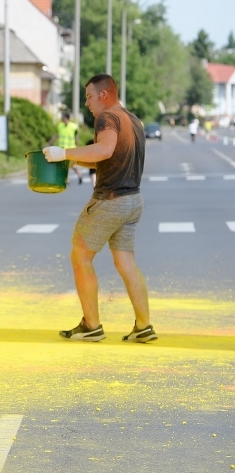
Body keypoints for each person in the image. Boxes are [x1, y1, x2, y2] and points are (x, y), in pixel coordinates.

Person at [43, 74, 157, 344]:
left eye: (89, 96)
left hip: (109, 201)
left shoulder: (107, 118)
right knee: (126, 262)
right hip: (133, 200)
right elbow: (111, 158)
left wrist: (66, 153)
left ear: (104, 95)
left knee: (80, 257)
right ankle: (144, 326)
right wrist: (77, 161)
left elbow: (104, 150)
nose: (87, 103)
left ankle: (91, 325)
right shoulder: (133, 120)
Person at [49, 112, 84, 185]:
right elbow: (57, 135)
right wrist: (50, 143)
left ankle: (79, 176)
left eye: (62, 117)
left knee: (72, 165)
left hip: (71, 149)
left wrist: (78, 147)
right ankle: (67, 179)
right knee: (64, 164)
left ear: (66, 118)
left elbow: (76, 137)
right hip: (62, 149)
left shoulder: (74, 126)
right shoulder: (60, 126)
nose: (61, 118)